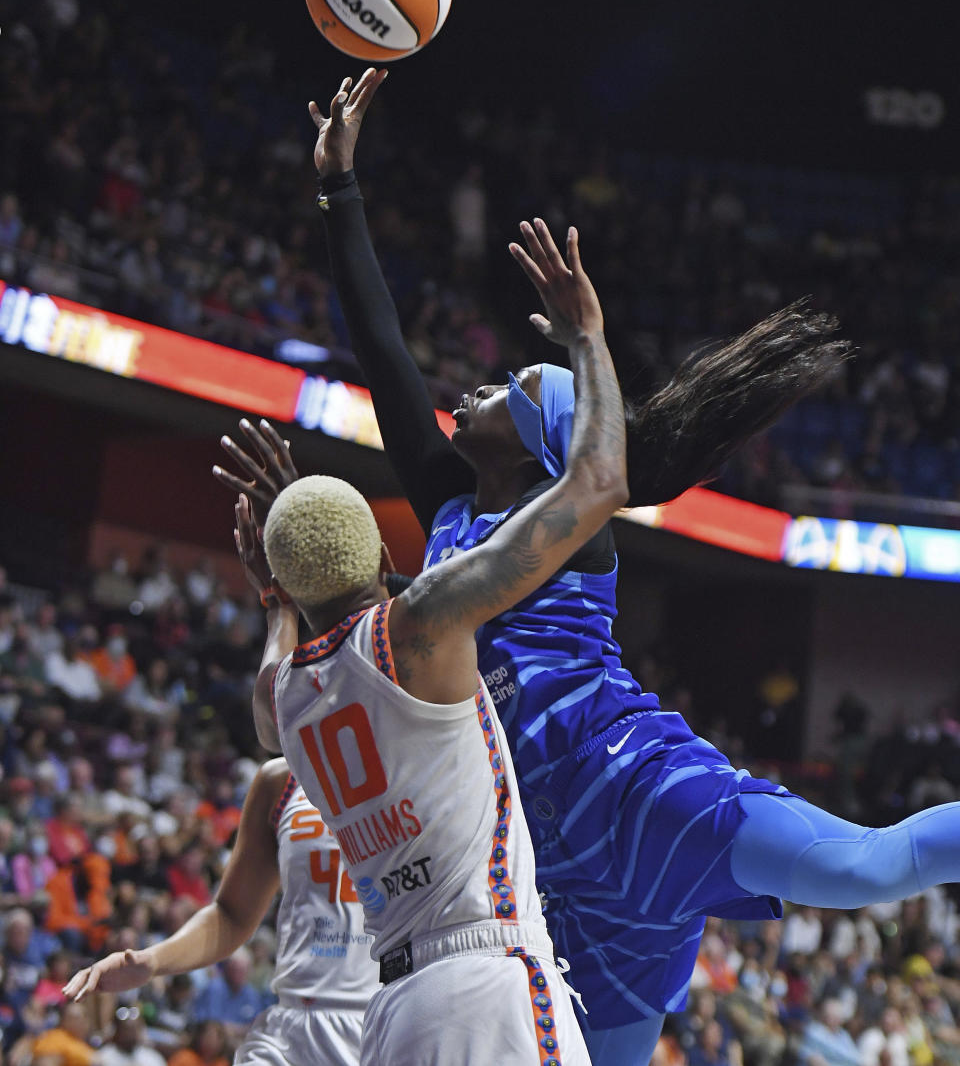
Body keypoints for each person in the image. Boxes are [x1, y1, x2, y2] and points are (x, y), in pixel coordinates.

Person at [218, 68, 960, 1066]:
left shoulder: (570, 524)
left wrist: (587, 337)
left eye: (494, 391)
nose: (464, 393)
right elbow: (383, 351)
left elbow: (595, 461)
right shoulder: (449, 508)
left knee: (873, 867)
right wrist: (339, 190)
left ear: (537, 438)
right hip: (556, 874)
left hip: (640, 788)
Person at [232, 214, 629, 1064]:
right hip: (486, 977)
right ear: (385, 555)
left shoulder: (293, 701)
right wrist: (589, 336)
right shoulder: (426, 623)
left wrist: (275, 596)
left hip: (395, 1007)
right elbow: (600, 481)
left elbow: (270, 693)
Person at [64, 757, 378, 1066]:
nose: (270, 705)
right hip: (294, 1021)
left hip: (383, 1018)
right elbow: (231, 914)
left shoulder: (414, 760)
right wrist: (154, 960)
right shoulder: (281, 778)